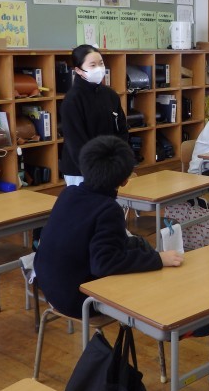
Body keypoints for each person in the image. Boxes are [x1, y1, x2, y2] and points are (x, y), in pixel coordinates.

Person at [34, 136, 183, 318]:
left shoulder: (68, 193)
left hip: (49, 286)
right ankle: (170, 320)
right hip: (78, 300)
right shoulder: (108, 209)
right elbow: (104, 264)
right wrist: (158, 259)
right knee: (152, 276)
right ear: (125, 180)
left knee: (137, 245)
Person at [60, 44, 128, 187]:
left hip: (110, 167)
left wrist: (120, 164)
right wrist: (94, 171)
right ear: (78, 70)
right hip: (81, 171)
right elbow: (76, 143)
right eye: (92, 65)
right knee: (89, 202)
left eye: (101, 63)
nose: (99, 68)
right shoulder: (72, 100)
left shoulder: (110, 95)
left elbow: (122, 130)